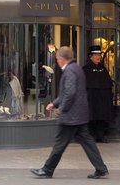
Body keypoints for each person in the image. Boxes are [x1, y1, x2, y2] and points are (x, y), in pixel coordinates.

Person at [31, 46, 109, 179]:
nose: (57, 61)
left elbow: (70, 93)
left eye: (57, 59)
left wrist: (62, 109)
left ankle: (47, 169)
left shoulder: (69, 71)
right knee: (88, 143)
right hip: (79, 115)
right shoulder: (77, 68)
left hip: (71, 116)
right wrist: (54, 103)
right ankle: (101, 168)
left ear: (62, 59)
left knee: (59, 143)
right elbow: (70, 92)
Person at [84, 45, 114, 142]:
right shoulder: (86, 69)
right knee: (91, 116)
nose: (98, 57)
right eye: (96, 55)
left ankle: (100, 135)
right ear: (90, 56)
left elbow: (108, 82)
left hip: (102, 98)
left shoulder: (103, 68)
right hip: (91, 97)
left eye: (99, 55)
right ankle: (92, 135)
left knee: (102, 116)